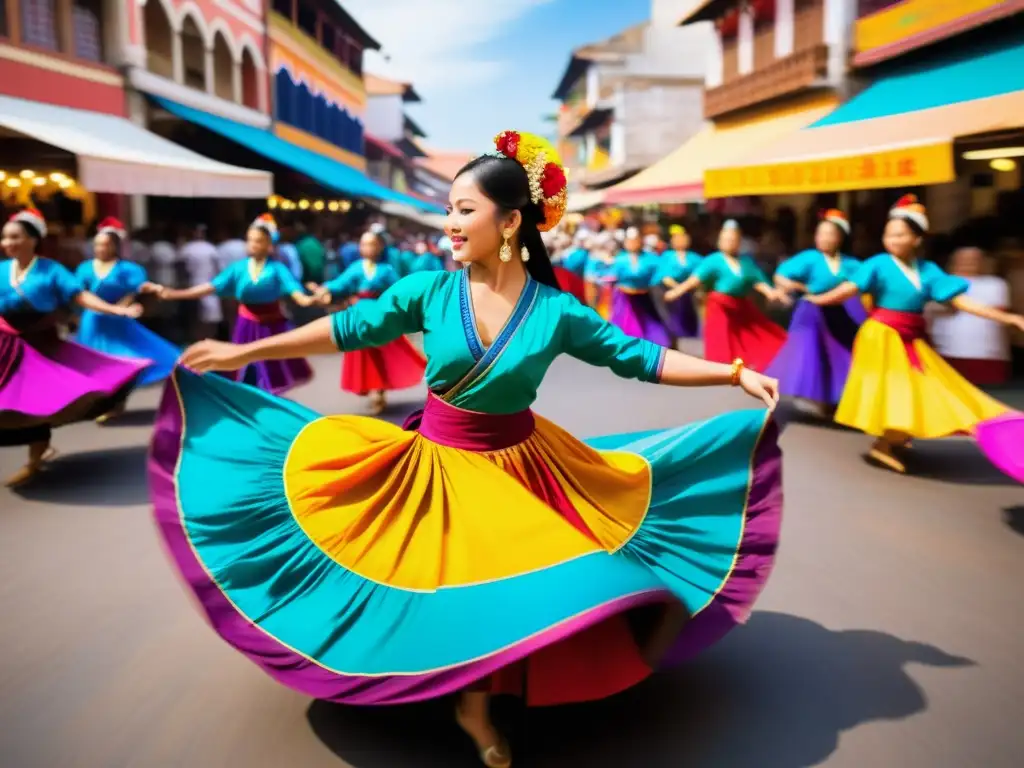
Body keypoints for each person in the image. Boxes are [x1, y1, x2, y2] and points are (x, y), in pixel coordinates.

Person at [150, 131, 783, 768]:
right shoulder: (428, 291)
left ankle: (486, 697)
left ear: (510, 222)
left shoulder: (556, 311)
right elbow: (348, 328)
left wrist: (732, 373)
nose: (449, 223)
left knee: (572, 581)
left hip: (525, 466)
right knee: (452, 582)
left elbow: (641, 357)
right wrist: (243, 351)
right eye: (449, 209)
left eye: (463, 210)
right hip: (433, 462)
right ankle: (472, 706)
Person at [806, 195, 1024, 480]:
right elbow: (848, 289)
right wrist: (819, 299)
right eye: (888, 234)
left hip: (912, 338)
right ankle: (885, 443)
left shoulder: (928, 271)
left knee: (929, 387)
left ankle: (897, 433)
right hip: (881, 337)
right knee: (898, 390)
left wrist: (1007, 317)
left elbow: (960, 302)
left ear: (916, 238)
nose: (892, 239)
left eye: (900, 234)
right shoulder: (878, 264)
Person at [0, 209, 148, 487]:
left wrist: (116, 310)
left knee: (36, 402)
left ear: (33, 239)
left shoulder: (51, 270)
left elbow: (81, 296)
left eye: (15, 237)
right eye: (5, 237)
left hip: (40, 344)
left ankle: (35, 457)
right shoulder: (1, 269)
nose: (8, 243)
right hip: (5, 344)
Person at [155, 214, 316, 395]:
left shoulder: (277, 268)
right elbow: (211, 286)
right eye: (250, 240)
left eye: (258, 241)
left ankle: (268, 402)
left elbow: (294, 290)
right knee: (243, 365)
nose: (252, 245)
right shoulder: (239, 268)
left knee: (272, 368)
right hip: (247, 323)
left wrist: (308, 299)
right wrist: (176, 294)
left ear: (269, 244)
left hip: (272, 324)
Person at [73, 217, 180, 421]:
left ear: (115, 246)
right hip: (92, 322)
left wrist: (122, 307)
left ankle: (116, 401)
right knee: (94, 364)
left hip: (117, 322)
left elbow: (135, 289)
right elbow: (79, 293)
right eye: (97, 244)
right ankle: (102, 402)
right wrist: (76, 316)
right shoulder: (85, 268)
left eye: (105, 245)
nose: (100, 248)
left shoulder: (128, 269)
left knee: (123, 361)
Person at [311, 230, 426, 415]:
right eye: (364, 244)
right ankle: (371, 388)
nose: (367, 248)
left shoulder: (386, 270)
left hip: (380, 317)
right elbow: (340, 283)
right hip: (359, 317)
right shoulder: (357, 267)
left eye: (372, 244)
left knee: (382, 354)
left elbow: (398, 289)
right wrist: (325, 288)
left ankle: (379, 391)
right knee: (365, 355)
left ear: (380, 246)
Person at [767, 210, 866, 414]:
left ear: (839, 238)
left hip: (840, 313)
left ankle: (837, 397)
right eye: (820, 234)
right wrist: (799, 287)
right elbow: (780, 275)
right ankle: (818, 397)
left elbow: (865, 282)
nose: (824, 238)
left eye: (830, 234)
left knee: (841, 355)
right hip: (812, 313)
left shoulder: (851, 263)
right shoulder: (809, 258)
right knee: (814, 355)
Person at [664, 220, 790, 371]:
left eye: (732, 240)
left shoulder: (746, 262)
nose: (729, 243)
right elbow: (694, 280)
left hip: (741, 306)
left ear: (738, 242)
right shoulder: (714, 260)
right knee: (721, 339)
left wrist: (772, 293)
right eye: (725, 239)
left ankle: (746, 363)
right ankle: (721, 368)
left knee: (758, 334)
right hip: (720, 306)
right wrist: (676, 291)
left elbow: (756, 281)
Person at [930, 246, 1012, 386]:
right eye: (963, 259)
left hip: (987, 355)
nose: (968, 262)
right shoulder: (938, 283)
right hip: (947, 352)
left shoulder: (996, 284)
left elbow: (1000, 315)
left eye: (974, 259)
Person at [607, 227, 672, 345]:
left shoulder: (651, 258)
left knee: (650, 325)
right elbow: (611, 276)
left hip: (643, 295)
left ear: (641, 241)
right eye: (629, 241)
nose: (632, 244)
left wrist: (674, 287)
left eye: (635, 240)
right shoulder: (619, 259)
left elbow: (662, 275)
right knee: (624, 326)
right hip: (624, 297)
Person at [657, 225, 703, 340]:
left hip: (691, 293)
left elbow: (701, 274)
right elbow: (664, 276)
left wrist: (690, 287)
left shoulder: (695, 257)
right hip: (672, 293)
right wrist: (679, 288)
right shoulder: (667, 256)